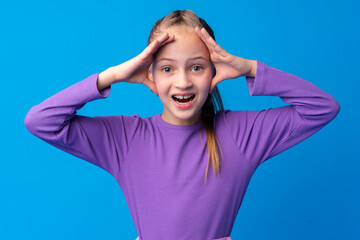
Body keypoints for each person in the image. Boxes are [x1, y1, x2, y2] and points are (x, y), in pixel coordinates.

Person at [24, 9, 340, 240]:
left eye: (197, 67)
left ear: (214, 72)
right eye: (167, 69)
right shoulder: (127, 139)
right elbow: (41, 121)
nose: (183, 82)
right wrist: (113, 76)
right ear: (150, 74)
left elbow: (322, 108)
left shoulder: (240, 135)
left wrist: (249, 68)